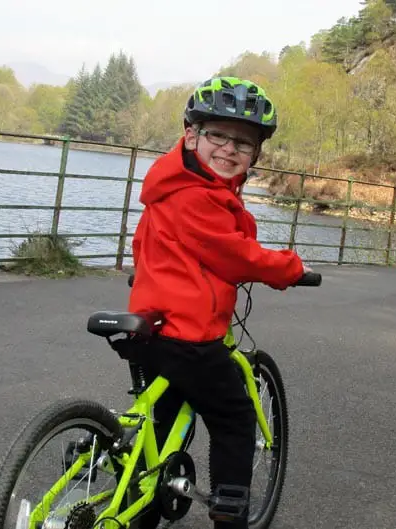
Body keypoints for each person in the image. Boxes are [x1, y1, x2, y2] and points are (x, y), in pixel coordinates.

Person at [127, 76, 307, 528]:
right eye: (217, 135)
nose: (228, 149)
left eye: (243, 144)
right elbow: (235, 254)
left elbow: (158, 246)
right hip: (189, 334)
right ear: (191, 135)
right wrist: (290, 267)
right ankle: (231, 519)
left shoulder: (175, 186)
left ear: (256, 156)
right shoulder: (197, 198)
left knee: (162, 425)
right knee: (233, 417)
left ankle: (141, 508)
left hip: (151, 324)